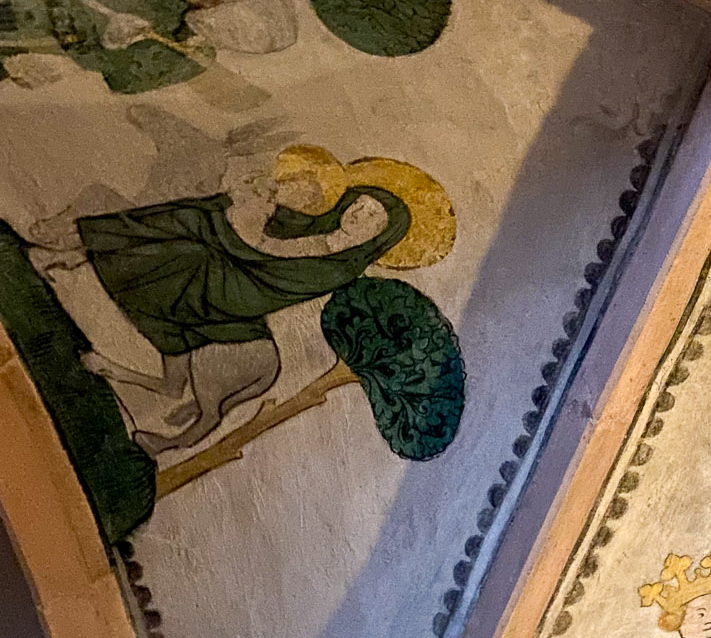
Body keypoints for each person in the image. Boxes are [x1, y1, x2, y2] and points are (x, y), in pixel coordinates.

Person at [24, 146, 445, 456]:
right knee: (196, 217)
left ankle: (175, 441)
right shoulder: (315, 222)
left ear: (381, 238)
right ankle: (76, 245)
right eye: (360, 206)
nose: (359, 217)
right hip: (234, 267)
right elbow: (268, 220)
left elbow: (271, 263)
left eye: (372, 220)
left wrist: (243, 224)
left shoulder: (339, 267)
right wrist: (246, 202)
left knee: (190, 249)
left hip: (235, 292)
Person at [0, 0, 298, 94]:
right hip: (27, 9)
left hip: (37, 48)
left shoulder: (189, 57)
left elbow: (123, 80)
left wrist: (113, 45)